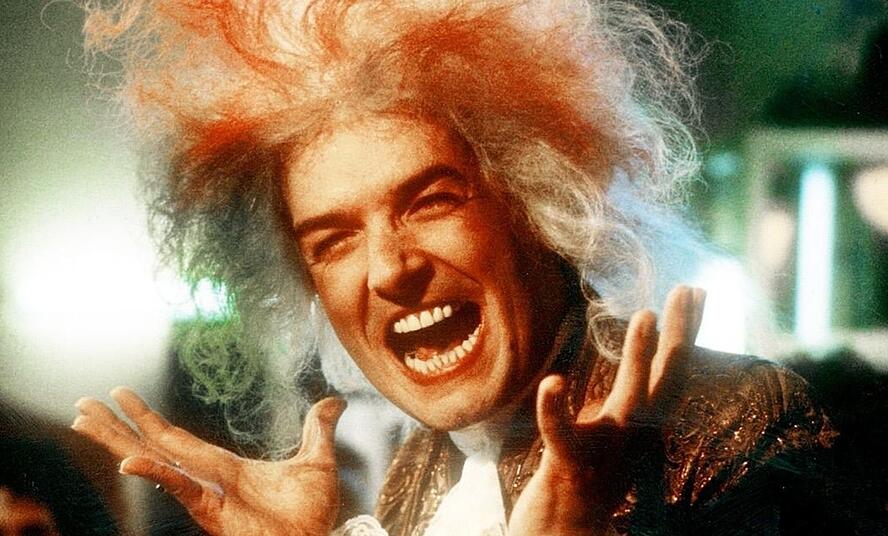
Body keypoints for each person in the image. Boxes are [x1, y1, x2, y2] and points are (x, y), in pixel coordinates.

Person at [71, 1, 840, 534]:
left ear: (536, 204)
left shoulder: (743, 420)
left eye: (430, 201)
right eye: (332, 240)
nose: (389, 269)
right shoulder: (420, 469)